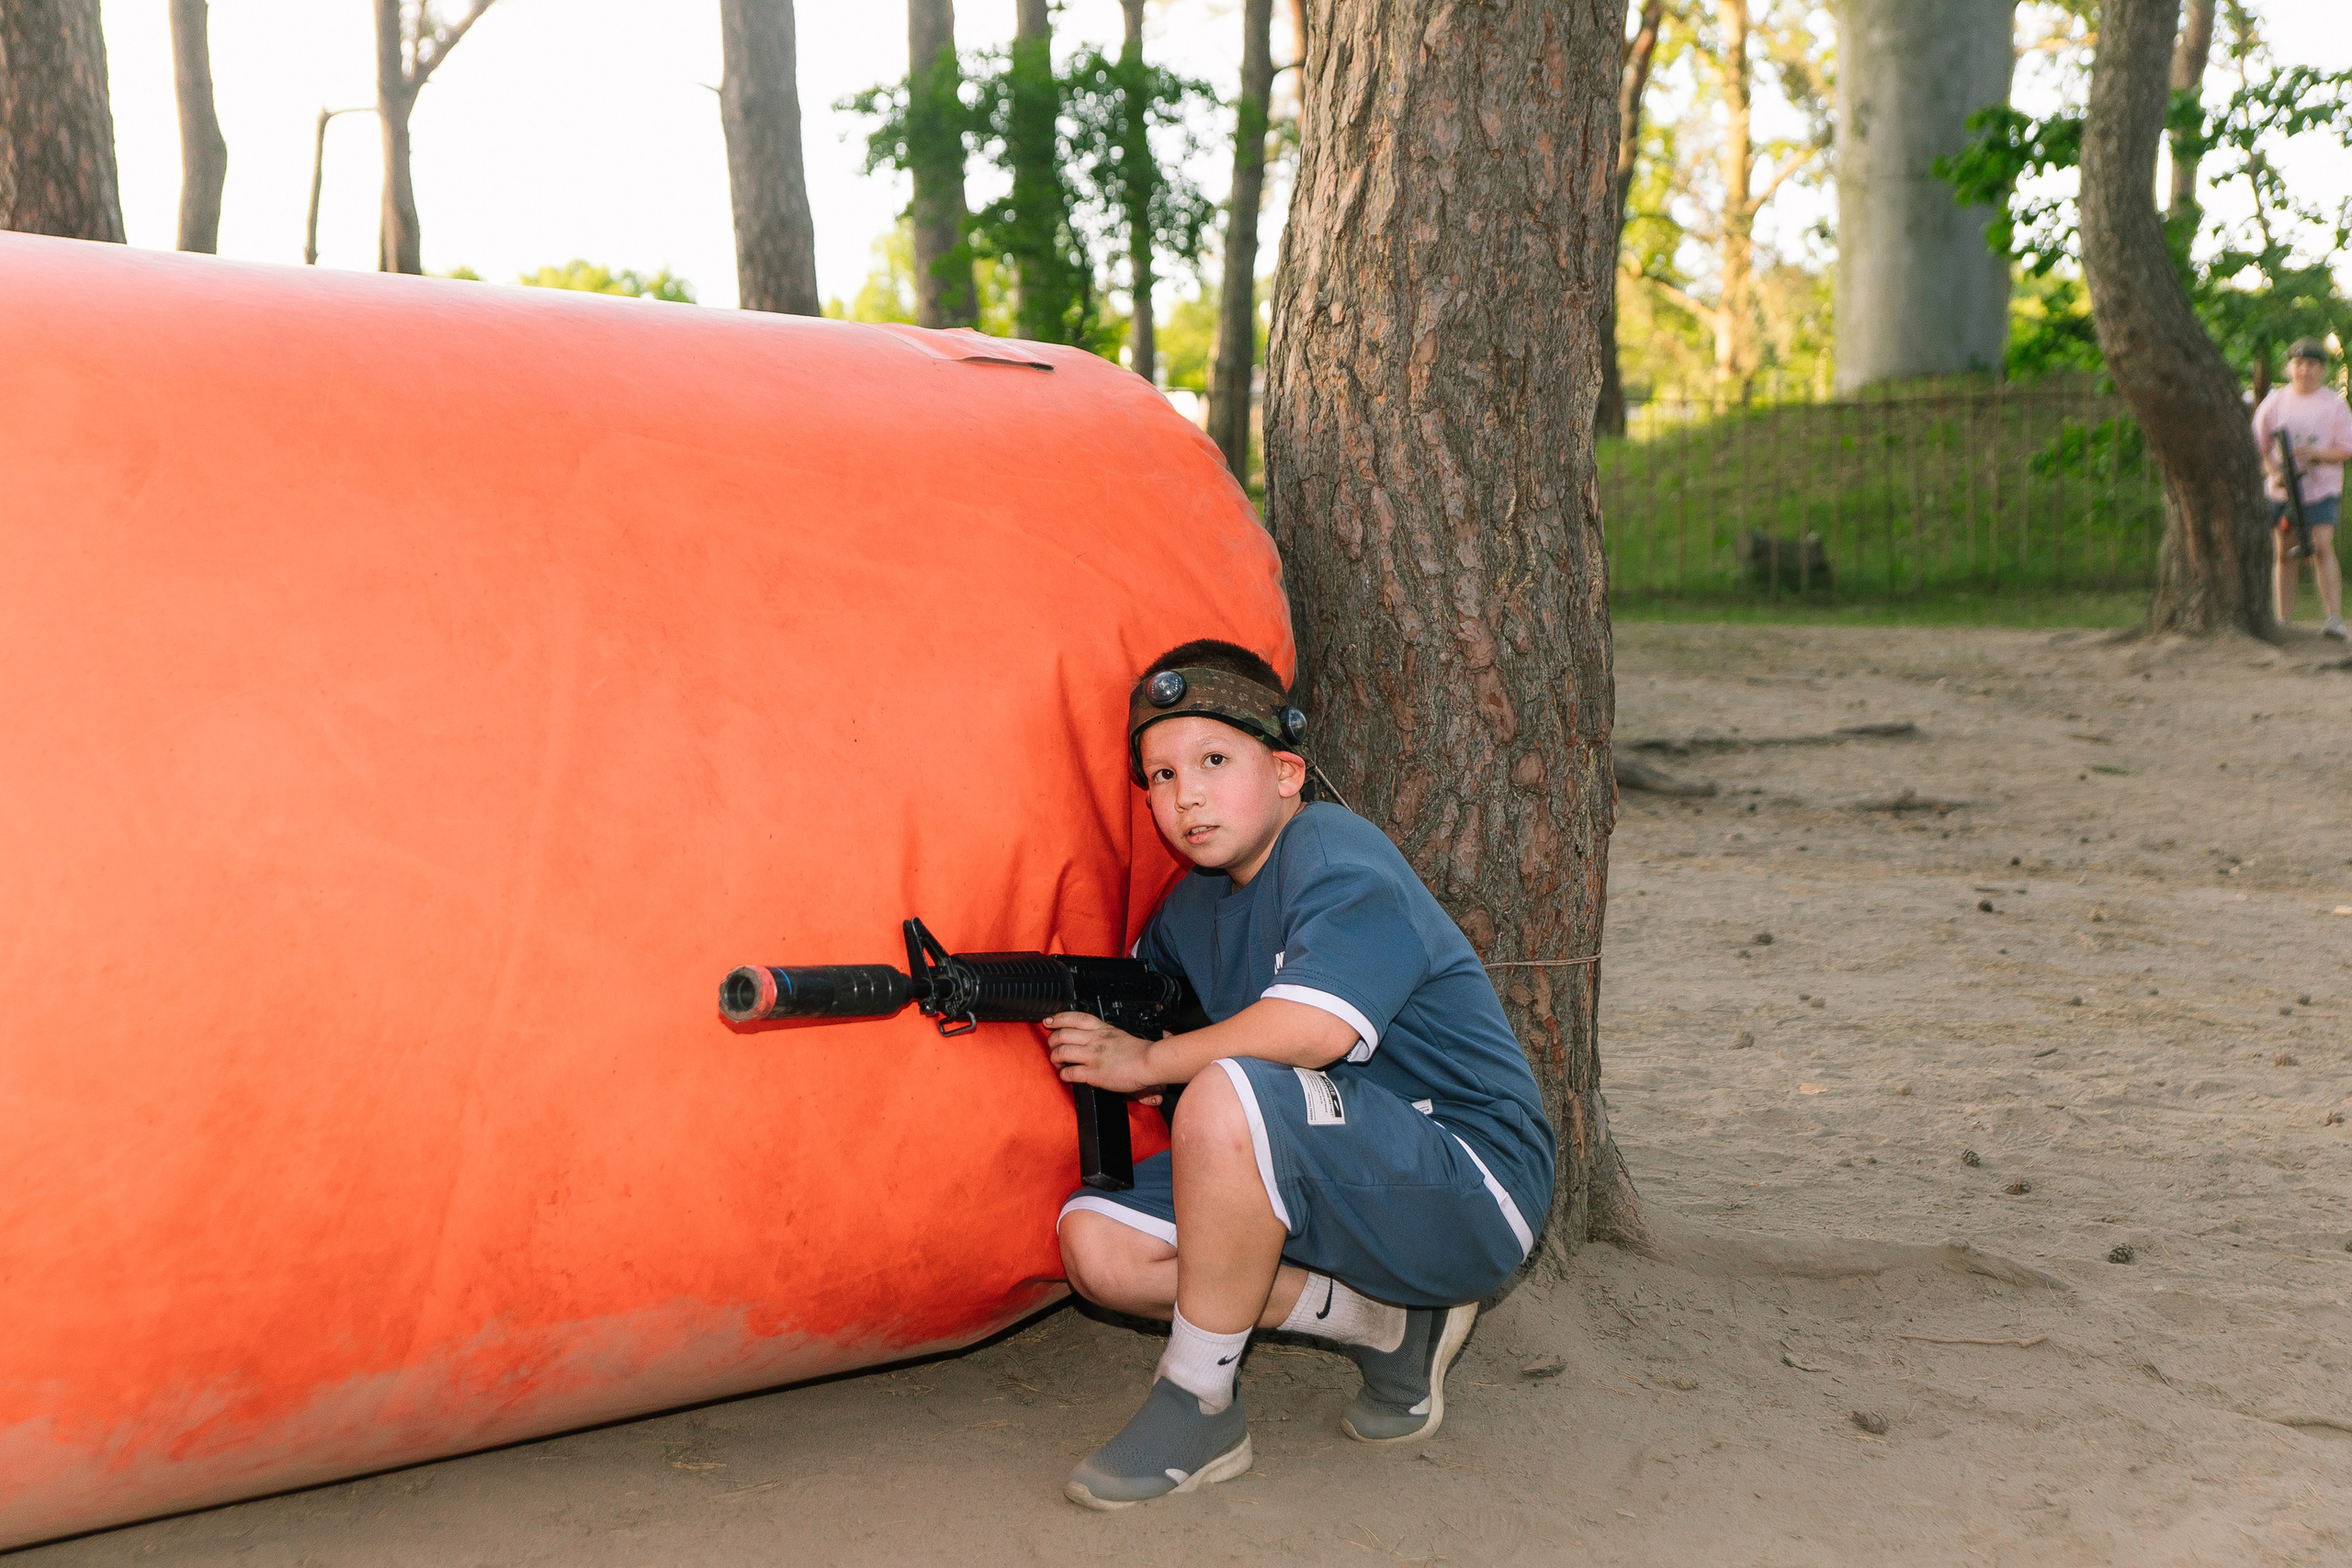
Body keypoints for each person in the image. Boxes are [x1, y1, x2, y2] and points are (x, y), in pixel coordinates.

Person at [1042, 639, 1556, 1509]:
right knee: (1101, 1248)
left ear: (1286, 771)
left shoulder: (1333, 848)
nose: (1186, 795)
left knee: (1226, 1087)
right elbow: (1140, 987)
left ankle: (1197, 1400)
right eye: (1161, 776)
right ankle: (1386, 1326)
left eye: (1213, 761)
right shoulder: (1193, 902)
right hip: (1333, 1178)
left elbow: (1312, 1030)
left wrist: (1149, 1062)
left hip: (1470, 1182)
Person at [2253, 337, 2352, 638]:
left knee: (2322, 548)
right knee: (2284, 553)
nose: (2304, 370)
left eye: (2311, 364)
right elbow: (2259, 447)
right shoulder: (2274, 403)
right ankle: (2283, 619)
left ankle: (2333, 618)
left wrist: (2316, 455)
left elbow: (2346, 449)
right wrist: (2274, 472)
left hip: (2321, 489)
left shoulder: (2334, 405)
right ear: (2289, 367)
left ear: (2321, 369)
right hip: (2283, 492)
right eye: (2298, 363)